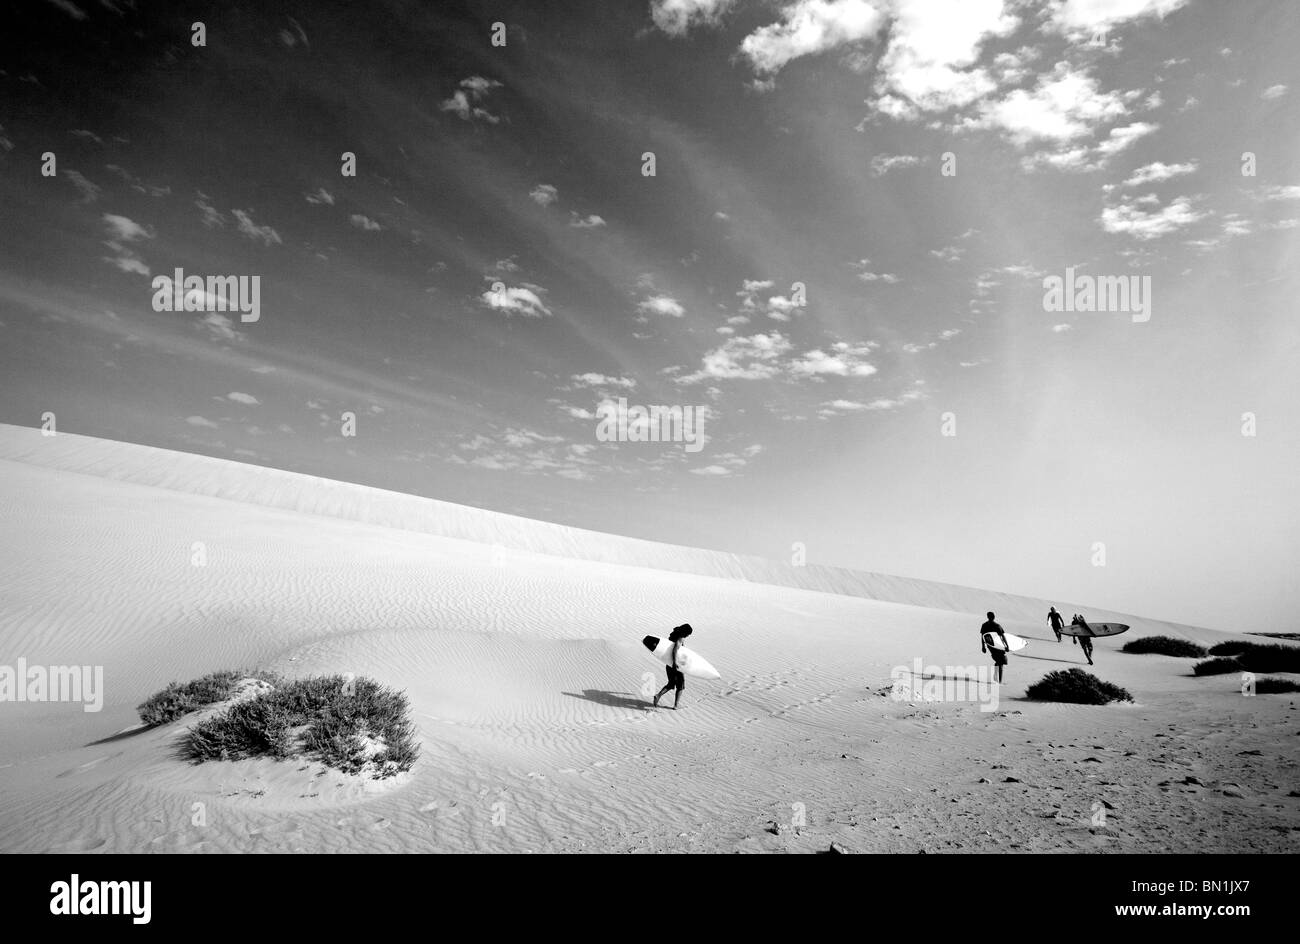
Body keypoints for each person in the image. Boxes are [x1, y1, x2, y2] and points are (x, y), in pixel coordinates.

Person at [653, 623, 693, 709]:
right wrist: (675, 663)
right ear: (685, 632)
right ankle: (676, 705)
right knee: (681, 686)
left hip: (668, 664)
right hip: (675, 665)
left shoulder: (674, 634)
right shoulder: (680, 638)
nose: (688, 636)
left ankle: (658, 695)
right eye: (688, 634)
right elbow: (675, 650)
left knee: (671, 684)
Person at [980, 611, 1010, 684]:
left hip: (993, 646)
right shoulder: (996, 626)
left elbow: (982, 636)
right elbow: (1002, 636)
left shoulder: (985, 625)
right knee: (1001, 661)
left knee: (999, 661)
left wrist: (983, 647)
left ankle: (997, 677)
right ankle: (999, 680)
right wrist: (1006, 645)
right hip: (995, 646)